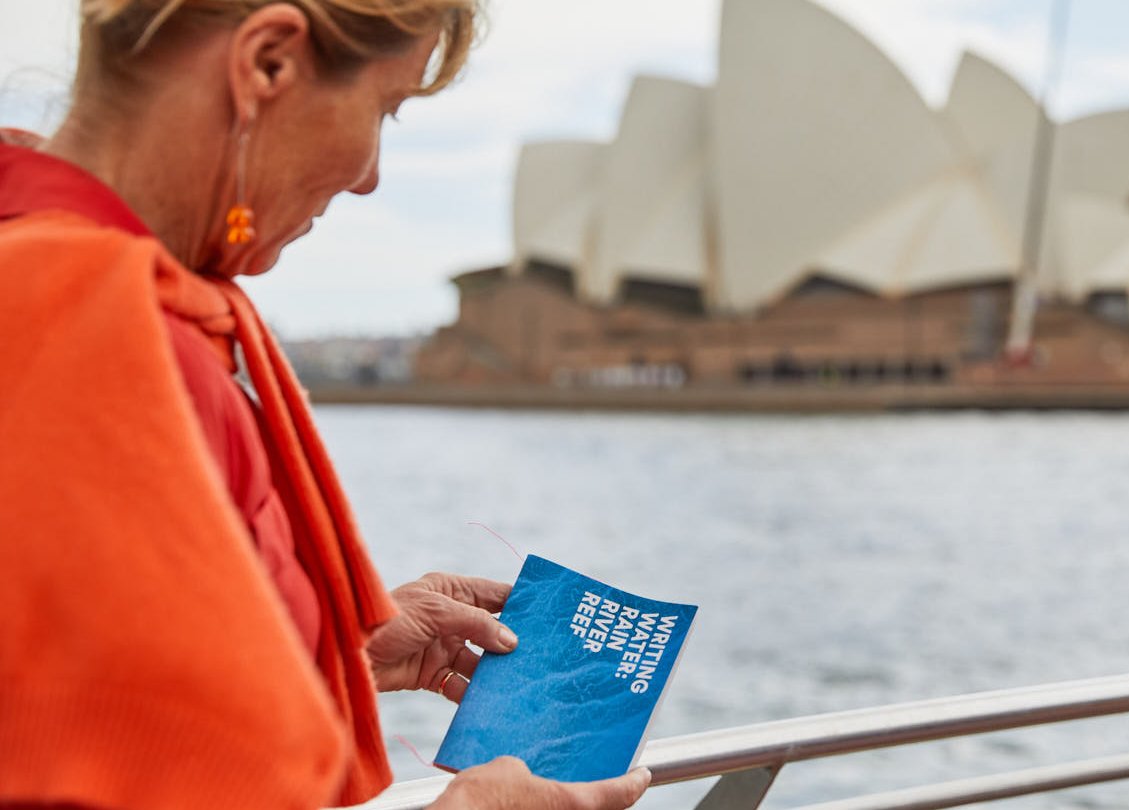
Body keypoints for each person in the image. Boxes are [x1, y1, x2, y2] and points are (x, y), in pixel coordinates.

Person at [0, 2, 650, 808]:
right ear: (266, 64)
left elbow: (88, 688)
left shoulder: (65, 282)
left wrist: (331, 648)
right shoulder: (84, 330)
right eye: (385, 107)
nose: (370, 174)